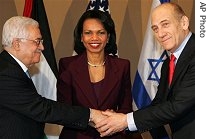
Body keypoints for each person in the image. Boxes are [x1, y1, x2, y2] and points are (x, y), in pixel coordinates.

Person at [96, 2, 195, 139]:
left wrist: (125, 121)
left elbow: (177, 106)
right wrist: (123, 119)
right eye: (155, 28)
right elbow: (159, 104)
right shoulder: (168, 63)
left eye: (165, 24)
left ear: (184, 22)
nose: (160, 33)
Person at [0, 16, 105, 139]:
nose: (42, 47)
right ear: (17, 44)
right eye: (37, 41)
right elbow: (41, 108)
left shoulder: (11, 68)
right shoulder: (5, 73)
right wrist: (91, 114)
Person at [57, 10, 133, 139]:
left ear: (108, 37)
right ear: (81, 37)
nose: (94, 38)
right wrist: (93, 118)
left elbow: (126, 108)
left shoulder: (122, 66)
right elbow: (65, 110)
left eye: (101, 33)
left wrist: (113, 118)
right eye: (88, 33)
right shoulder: (67, 65)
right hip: (77, 135)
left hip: (111, 134)